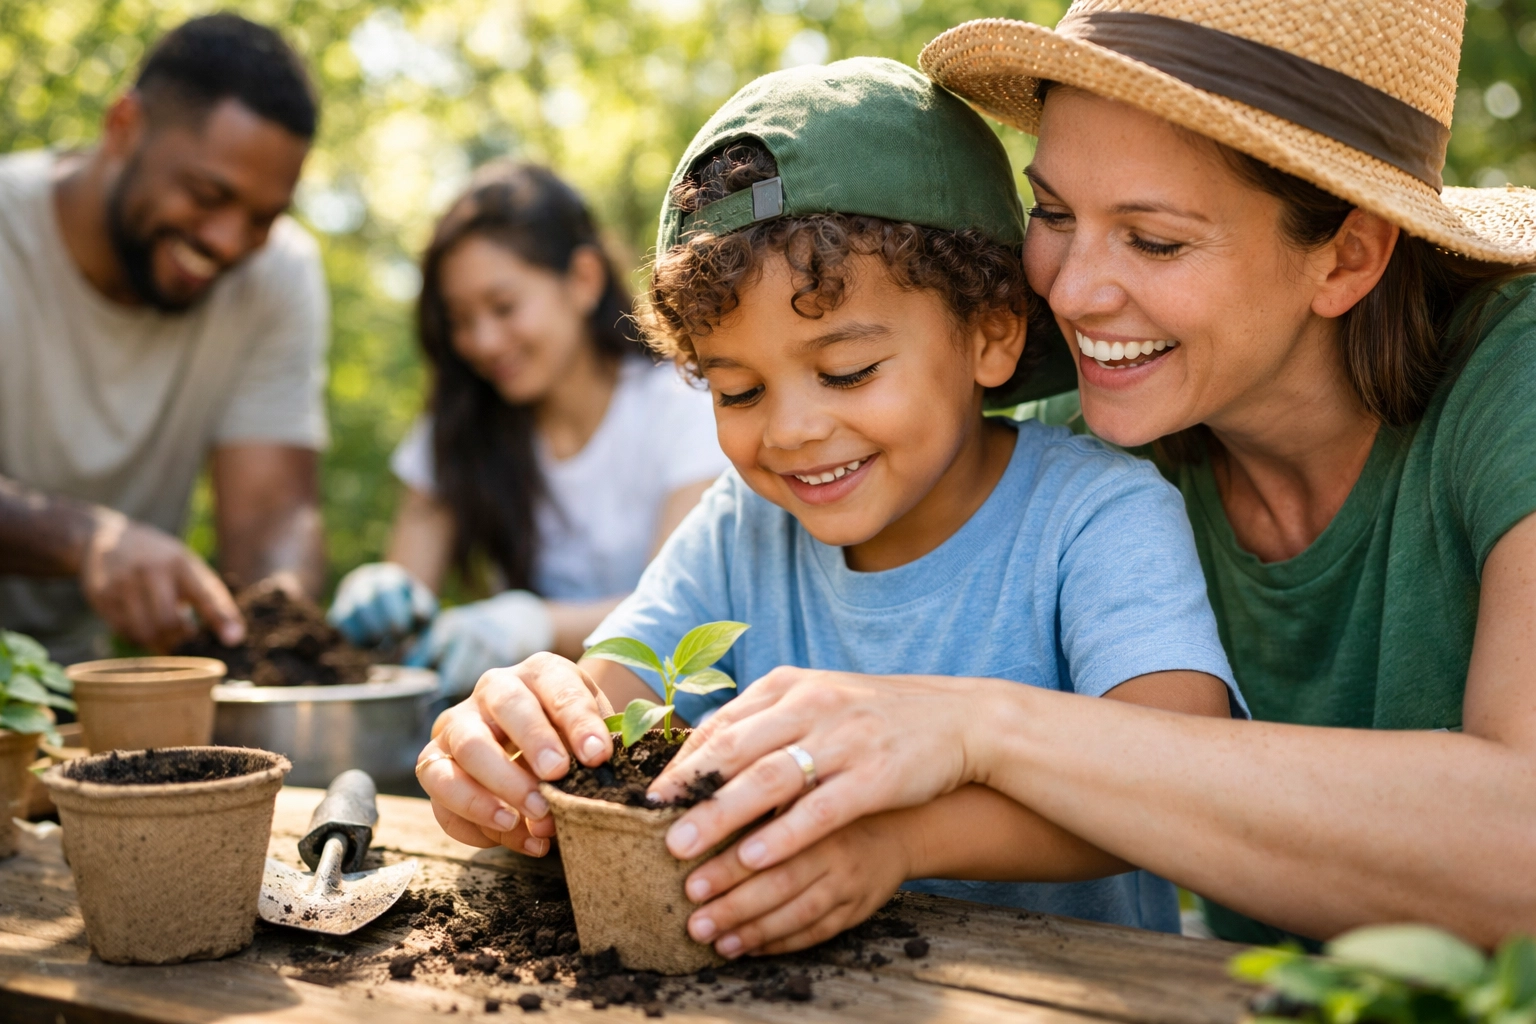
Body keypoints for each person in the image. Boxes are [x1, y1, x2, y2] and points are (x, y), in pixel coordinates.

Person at [585, 0, 1536, 955]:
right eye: (1051, 213)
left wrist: (976, 729)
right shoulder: (1089, 417)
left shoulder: (1514, 381)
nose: (1069, 294)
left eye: (1154, 239)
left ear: (1349, 254)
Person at [414, 58, 1249, 942]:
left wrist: (896, 841)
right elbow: (601, 711)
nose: (791, 431)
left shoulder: (1096, 512)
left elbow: (1176, 773)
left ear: (992, 332)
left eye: (846, 371)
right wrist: (507, 755)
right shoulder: (742, 530)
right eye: (737, 391)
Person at [327, 163, 727, 695]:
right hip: (531, 725)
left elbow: (684, 610)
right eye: (461, 320)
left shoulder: (683, 406)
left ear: (583, 280)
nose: (483, 342)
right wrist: (384, 598)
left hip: (673, 717)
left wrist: (533, 625)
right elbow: (406, 611)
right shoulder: (460, 428)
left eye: (503, 307)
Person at [0, 14, 328, 664]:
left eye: (263, 218)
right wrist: (86, 538)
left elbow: (271, 518)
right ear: (123, 127)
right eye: (207, 193)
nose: (230, 242)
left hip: (80, 680)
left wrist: (274, 618)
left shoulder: (278, 276)